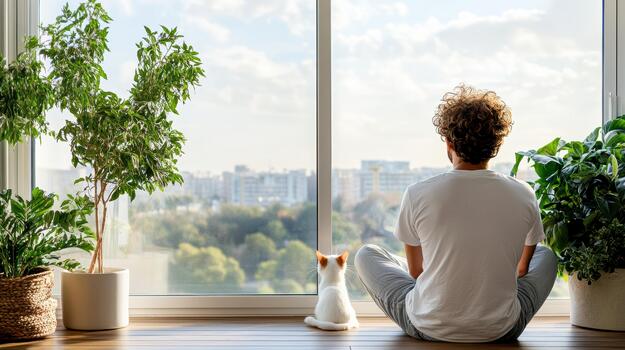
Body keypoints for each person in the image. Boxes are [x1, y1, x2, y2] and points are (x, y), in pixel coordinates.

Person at [354, 84, 557, 343]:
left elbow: (416, 273)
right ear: (497, 143)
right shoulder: (523, 192)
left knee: (367, 254)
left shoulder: (418, 193)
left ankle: (442, 296)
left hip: (428, 325)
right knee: (547, 256)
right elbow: (522, 268)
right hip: (502, 329)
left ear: (449, 142)